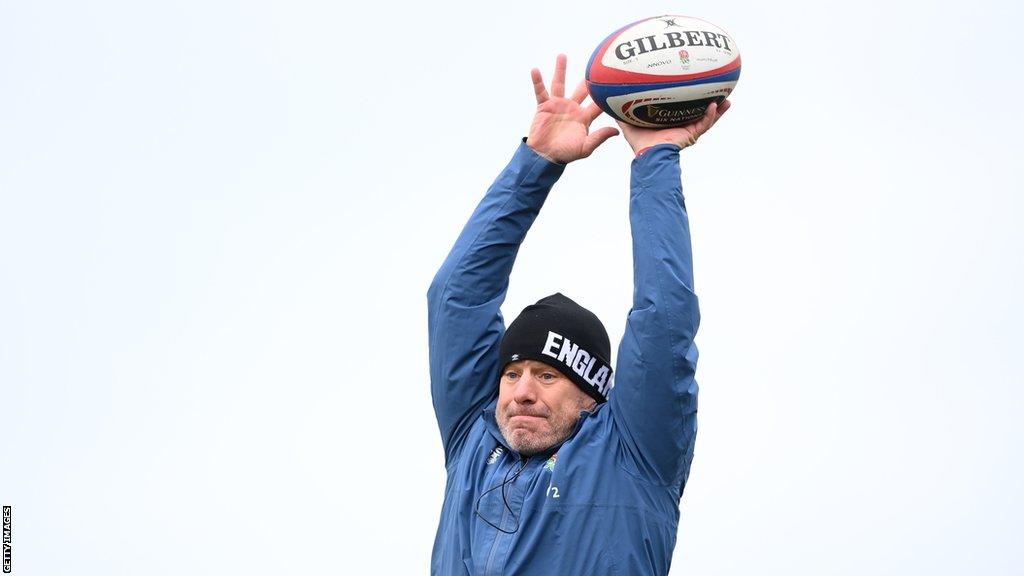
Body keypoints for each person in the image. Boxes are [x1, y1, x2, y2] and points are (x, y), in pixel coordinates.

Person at [426, 54, 730, 575]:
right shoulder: (474, 439)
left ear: (592, 394)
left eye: (546, 375)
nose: (521, 391)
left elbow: (664, 319)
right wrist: (535, 164)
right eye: (512, 374)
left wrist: (655, 157)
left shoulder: (635, 456)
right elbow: (456, 299)